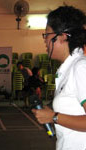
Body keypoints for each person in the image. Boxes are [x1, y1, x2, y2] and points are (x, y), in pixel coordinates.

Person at [32, 6, 86, 150]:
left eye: (47, 34)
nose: (45, 40)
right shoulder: (68, 69)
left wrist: (54, 117)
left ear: (62, 37)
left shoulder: (80, 68)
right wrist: (49, 114)